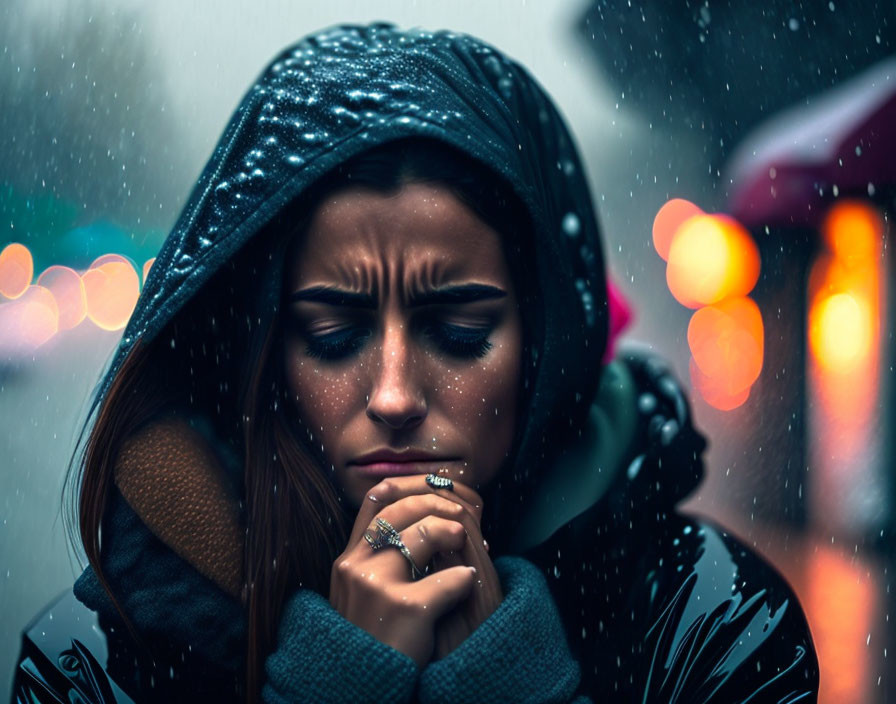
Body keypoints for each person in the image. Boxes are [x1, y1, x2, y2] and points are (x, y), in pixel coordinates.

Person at [13, 23, 819, 703]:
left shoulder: (710, 621)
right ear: (264, 358)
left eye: (462, 332)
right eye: (332, 336)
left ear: (543, 353)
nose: (395, 395)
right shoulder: (94, 662)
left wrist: (517, 681)